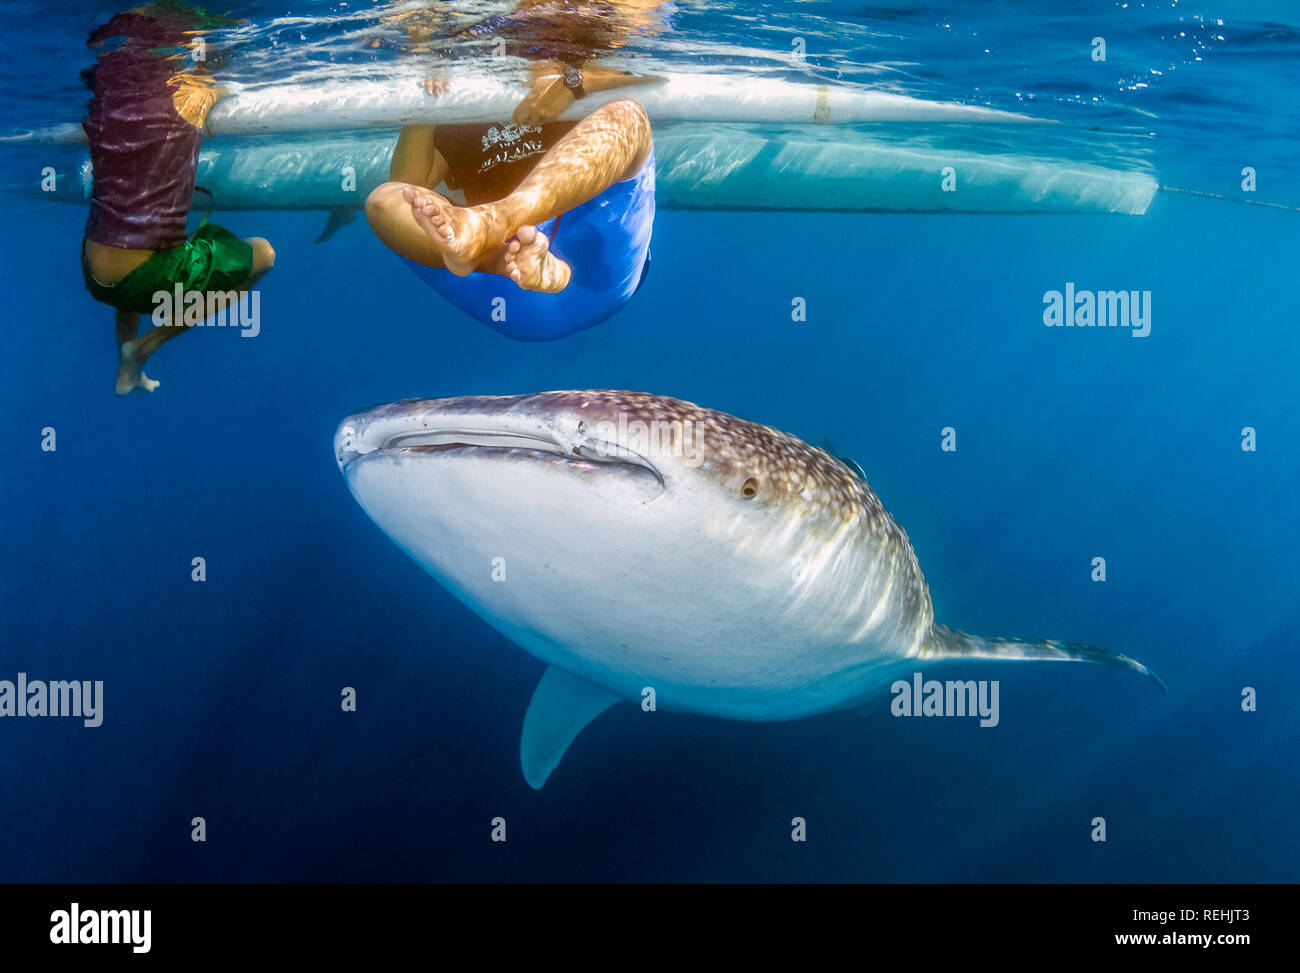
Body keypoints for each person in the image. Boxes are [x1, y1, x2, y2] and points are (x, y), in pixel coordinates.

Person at [365, 7, 661, 341]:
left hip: (598, 272)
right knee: (383, 201)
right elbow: (407, 187)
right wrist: (428, 77)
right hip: (508, 281)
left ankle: (493, 227)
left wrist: (575, 82)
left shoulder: (597, 21)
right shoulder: (466, 63)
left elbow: (661, 73)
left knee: (628, 117)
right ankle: (493, 250)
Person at [81, 2, 276, 394]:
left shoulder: (106, 97)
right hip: (147, 274)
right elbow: (223, 71)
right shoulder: (191, 97)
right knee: (264, 254)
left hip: (95, 269)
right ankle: (143, 347)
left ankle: (124, 367)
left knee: (134, 230)